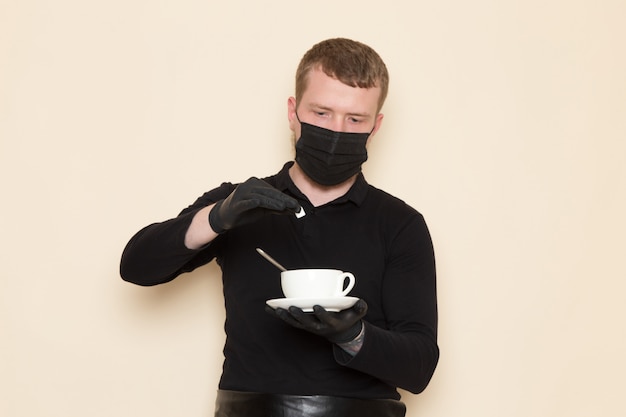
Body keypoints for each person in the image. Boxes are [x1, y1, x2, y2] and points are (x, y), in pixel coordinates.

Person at [120, 38, 438, 417]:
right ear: (293, 112)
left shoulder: (400, 224)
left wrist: (351, 335)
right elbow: (136, 267)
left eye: (355, 119)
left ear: (375, 126)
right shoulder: (237, 203)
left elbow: (419, 367)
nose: (336, 130)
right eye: (321, 113)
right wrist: (217, 217)